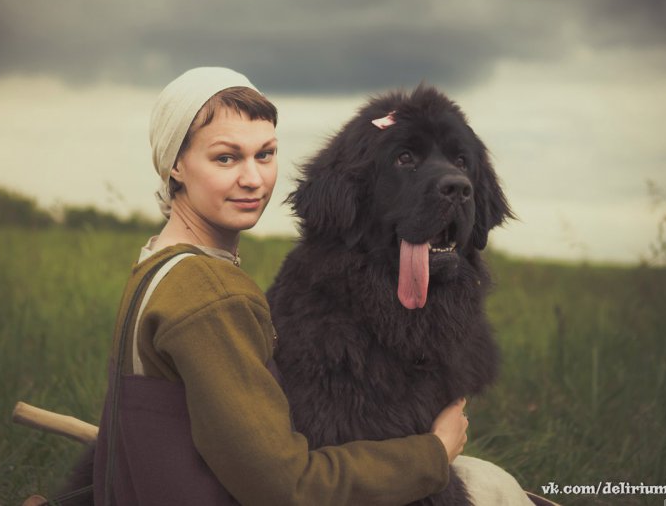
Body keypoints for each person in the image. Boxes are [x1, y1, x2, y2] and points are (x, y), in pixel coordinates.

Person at [91, 67, 470, 505]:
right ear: (175, 165)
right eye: (226, 158)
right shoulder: (211, 296)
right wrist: (433, 454)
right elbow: (284, 487)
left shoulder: (156, 266)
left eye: (265, 154)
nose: (253, 179)